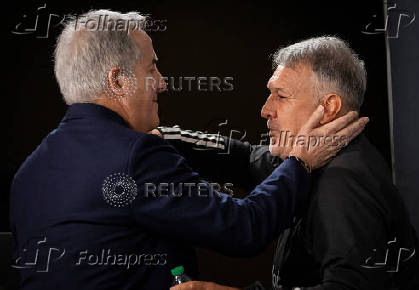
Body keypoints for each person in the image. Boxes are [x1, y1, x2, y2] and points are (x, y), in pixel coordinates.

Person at [9, 11, 367, 290]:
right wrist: (300, 162)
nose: (163, 82)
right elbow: (244, 228)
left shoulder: (27, 174)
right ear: (118, 81)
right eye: (152, 68)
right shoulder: (137, 155)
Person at [165, 37, 419, 289]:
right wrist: (158, 137)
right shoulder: (306, 156)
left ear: (328, 108)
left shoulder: (344, 182)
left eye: (281, 95)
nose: (265, 110)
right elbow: (242, 159)